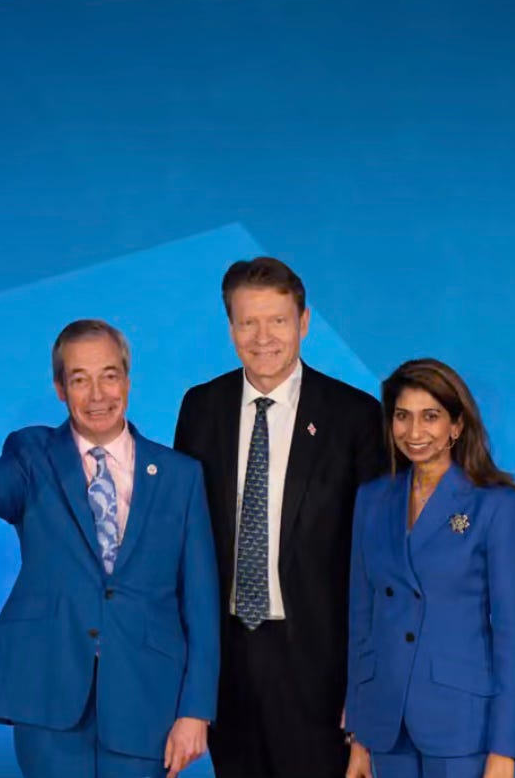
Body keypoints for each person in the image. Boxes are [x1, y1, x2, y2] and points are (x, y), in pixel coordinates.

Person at [0, 314, 220, 778]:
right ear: (59, 389)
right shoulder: (33, 454)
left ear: (127, 381)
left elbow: (201, 601)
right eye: (79, 380)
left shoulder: (180, 475)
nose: (98, 395)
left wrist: (196, 710)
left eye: (109, 376)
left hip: (145, 698)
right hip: (49, 694)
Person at [173, 257, 386, 778]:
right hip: (226, 663)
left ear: (304, 322)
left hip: (320, 672)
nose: (263, 337)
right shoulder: (200, 407)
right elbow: (184, 540)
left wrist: (366, 685)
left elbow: (377, 564)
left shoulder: (354, 416)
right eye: (248, 322)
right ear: (231, 328)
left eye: (278, 320)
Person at [344, 359, 515, 778]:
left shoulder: (499, 506)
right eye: (402, 416)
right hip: (385, 722)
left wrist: (504, 749)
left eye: (430, 416)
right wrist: (359, 732)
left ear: (457, 425)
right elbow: (363, 621)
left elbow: (512, 635)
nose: (414, 432)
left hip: (462, 725)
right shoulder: (373, 499)